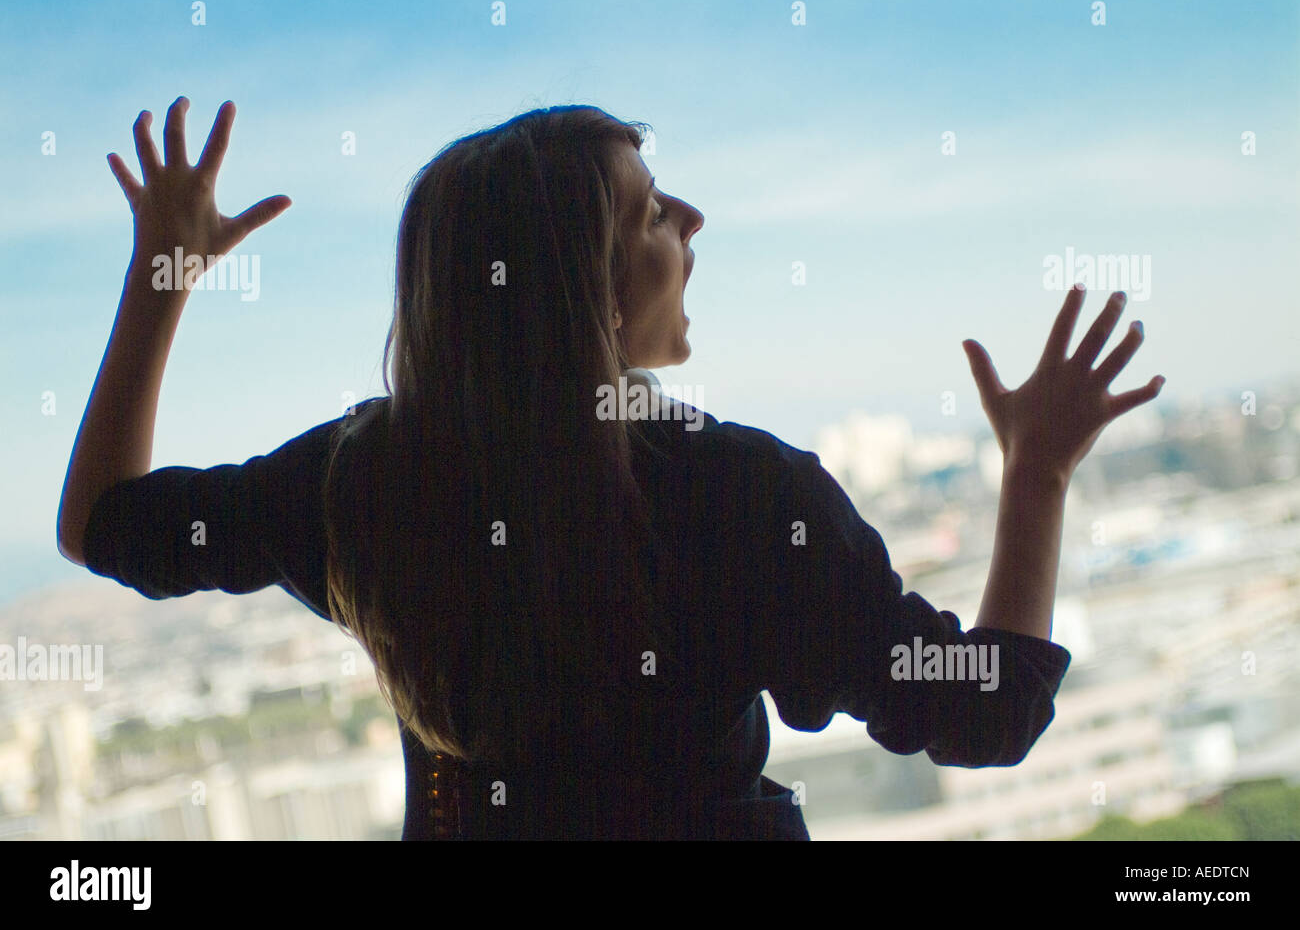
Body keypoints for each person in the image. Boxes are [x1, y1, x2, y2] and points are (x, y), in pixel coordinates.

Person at [57, 98, 1165, 840]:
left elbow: (103, 522)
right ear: (590, 296)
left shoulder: (360, 483)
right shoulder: (742, 496)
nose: (691, 219)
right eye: (648, 211)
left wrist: (165, 272)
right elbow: (991, 710)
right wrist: (1037, 474)